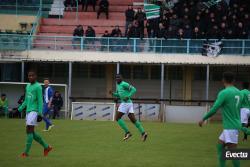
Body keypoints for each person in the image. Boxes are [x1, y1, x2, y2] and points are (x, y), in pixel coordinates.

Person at [198, 72, 249, 167]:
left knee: (233, 154)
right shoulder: (239, 92)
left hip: (230, 127)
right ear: (233, 81)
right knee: (220, 146)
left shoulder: (224, 93)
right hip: (233, 125)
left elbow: (214, 109)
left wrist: (203, 119)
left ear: (223, 80)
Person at [18, 70, 52, 158]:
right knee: (31, 132)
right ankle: (47, 147)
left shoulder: (38, 87)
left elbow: (41, 101)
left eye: (32, 76)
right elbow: (26, 100)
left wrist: (40, 113)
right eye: (29, 76)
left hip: (34, 111)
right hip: (28, 111)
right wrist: (21, 108)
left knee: (29, 130)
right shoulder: (28, 86)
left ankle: (25, 153)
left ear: (35, 76)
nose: (30, 77)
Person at [110, 74, 148, 141]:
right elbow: (119, 95)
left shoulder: (124, 84)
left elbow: (134, 89)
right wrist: (113, 94)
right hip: (129, 103)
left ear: (121, 78)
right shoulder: (118, 85)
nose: (117, 79)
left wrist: (128, 96)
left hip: (126, 103)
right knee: (133, 120)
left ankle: (128, 132)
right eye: (116, 78)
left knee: (117, 118)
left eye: (119, 77)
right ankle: (143, 133)